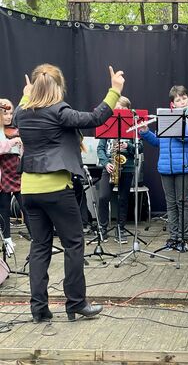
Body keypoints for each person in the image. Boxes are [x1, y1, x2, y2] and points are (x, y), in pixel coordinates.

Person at [13, 63, 124, 323]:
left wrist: (26, 93)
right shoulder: (59, 111)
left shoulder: (21, 113)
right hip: (56, 189)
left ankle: (39, 308)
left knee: (39, 247)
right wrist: (114, 90)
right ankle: (76, 303)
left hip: (28, 190)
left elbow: (24, 106)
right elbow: (95, 118)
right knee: (73, 244)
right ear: (59, 86)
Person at [139, 85, 188, 252]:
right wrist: (145, 132)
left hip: (184, 166)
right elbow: (158, 142)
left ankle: (184, 238)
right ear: (173, 103)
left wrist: (173, 127)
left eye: (184, 98)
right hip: (165, 167)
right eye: (178, 99)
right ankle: (173, 237)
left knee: (183, 202)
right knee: (171, 204)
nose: (182, 101)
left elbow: (187, 138)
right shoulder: (166, 118)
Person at [97, 96, 142, 243]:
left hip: (127, 167)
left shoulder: (132, 126)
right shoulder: (107, 123)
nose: (119, 111)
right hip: (110, 166)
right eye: (117, 108)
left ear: (128, 110)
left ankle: (120, 229)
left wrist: (127, 146)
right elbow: (100, 149)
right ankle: (102, 228)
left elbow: (140, 148)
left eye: (123, 109)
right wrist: (105, 163)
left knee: (123, 199)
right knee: (103, 197)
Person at [0, 98, 31, 254]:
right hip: (3, 175)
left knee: (26, 207)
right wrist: (14, 142)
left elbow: (22, 152)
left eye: (11, 113)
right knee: (3, 209)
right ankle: (7, 241)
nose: (9, 116)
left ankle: (36, 238)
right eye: (5, 113)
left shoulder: (15, 131)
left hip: (17, 173)